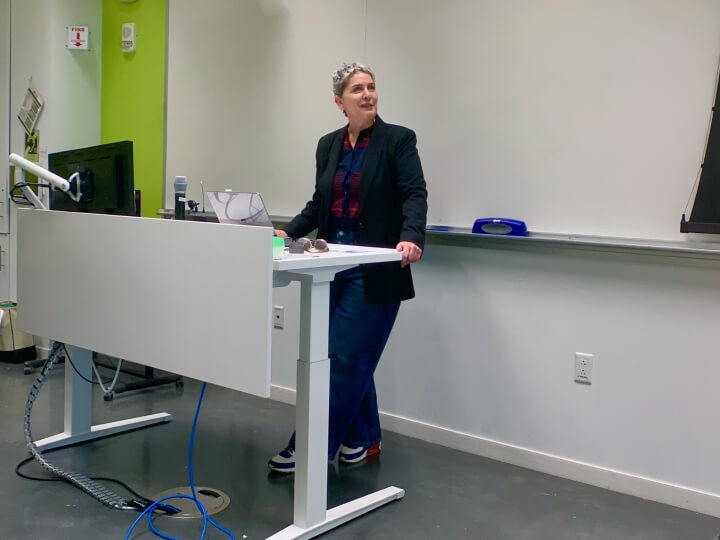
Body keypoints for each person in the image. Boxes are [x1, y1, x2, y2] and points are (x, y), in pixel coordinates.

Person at [268, 61, 428, 472]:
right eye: (358, 89)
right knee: (345, 355)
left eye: (372, 87)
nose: (368, 95)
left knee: (341, 358)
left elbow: (414, 193)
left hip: (375, 268)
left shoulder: (398, 140)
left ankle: (309, 447)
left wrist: (411, 236)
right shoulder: (328, 145)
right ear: (340, 102)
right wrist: (289, 232)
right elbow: (320, 205)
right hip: (333, 265)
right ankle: (364, 438)